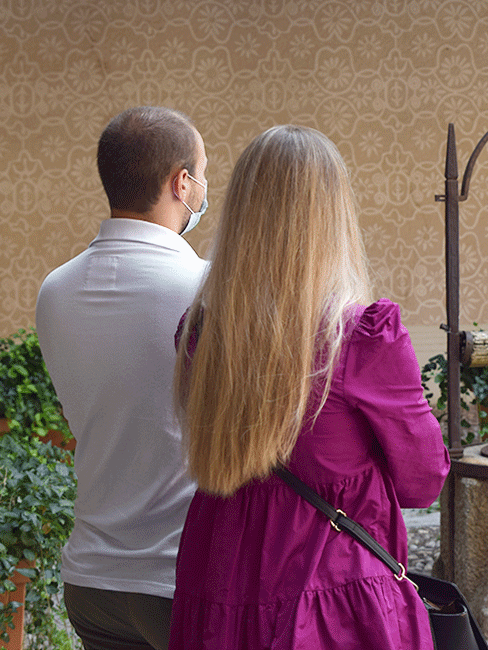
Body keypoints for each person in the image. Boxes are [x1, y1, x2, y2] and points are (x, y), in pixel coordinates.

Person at [169, 125, 449, 650]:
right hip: (335, 599)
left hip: (218, 578)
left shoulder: (201, 335)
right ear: (334, 217)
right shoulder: (363, 340)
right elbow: (423, 481)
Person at [35, 106, 209, 650]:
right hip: (180, 575)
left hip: (91, 579)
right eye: (203, 174)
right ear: (182, 183)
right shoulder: (208, 289)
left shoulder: (54, 291)